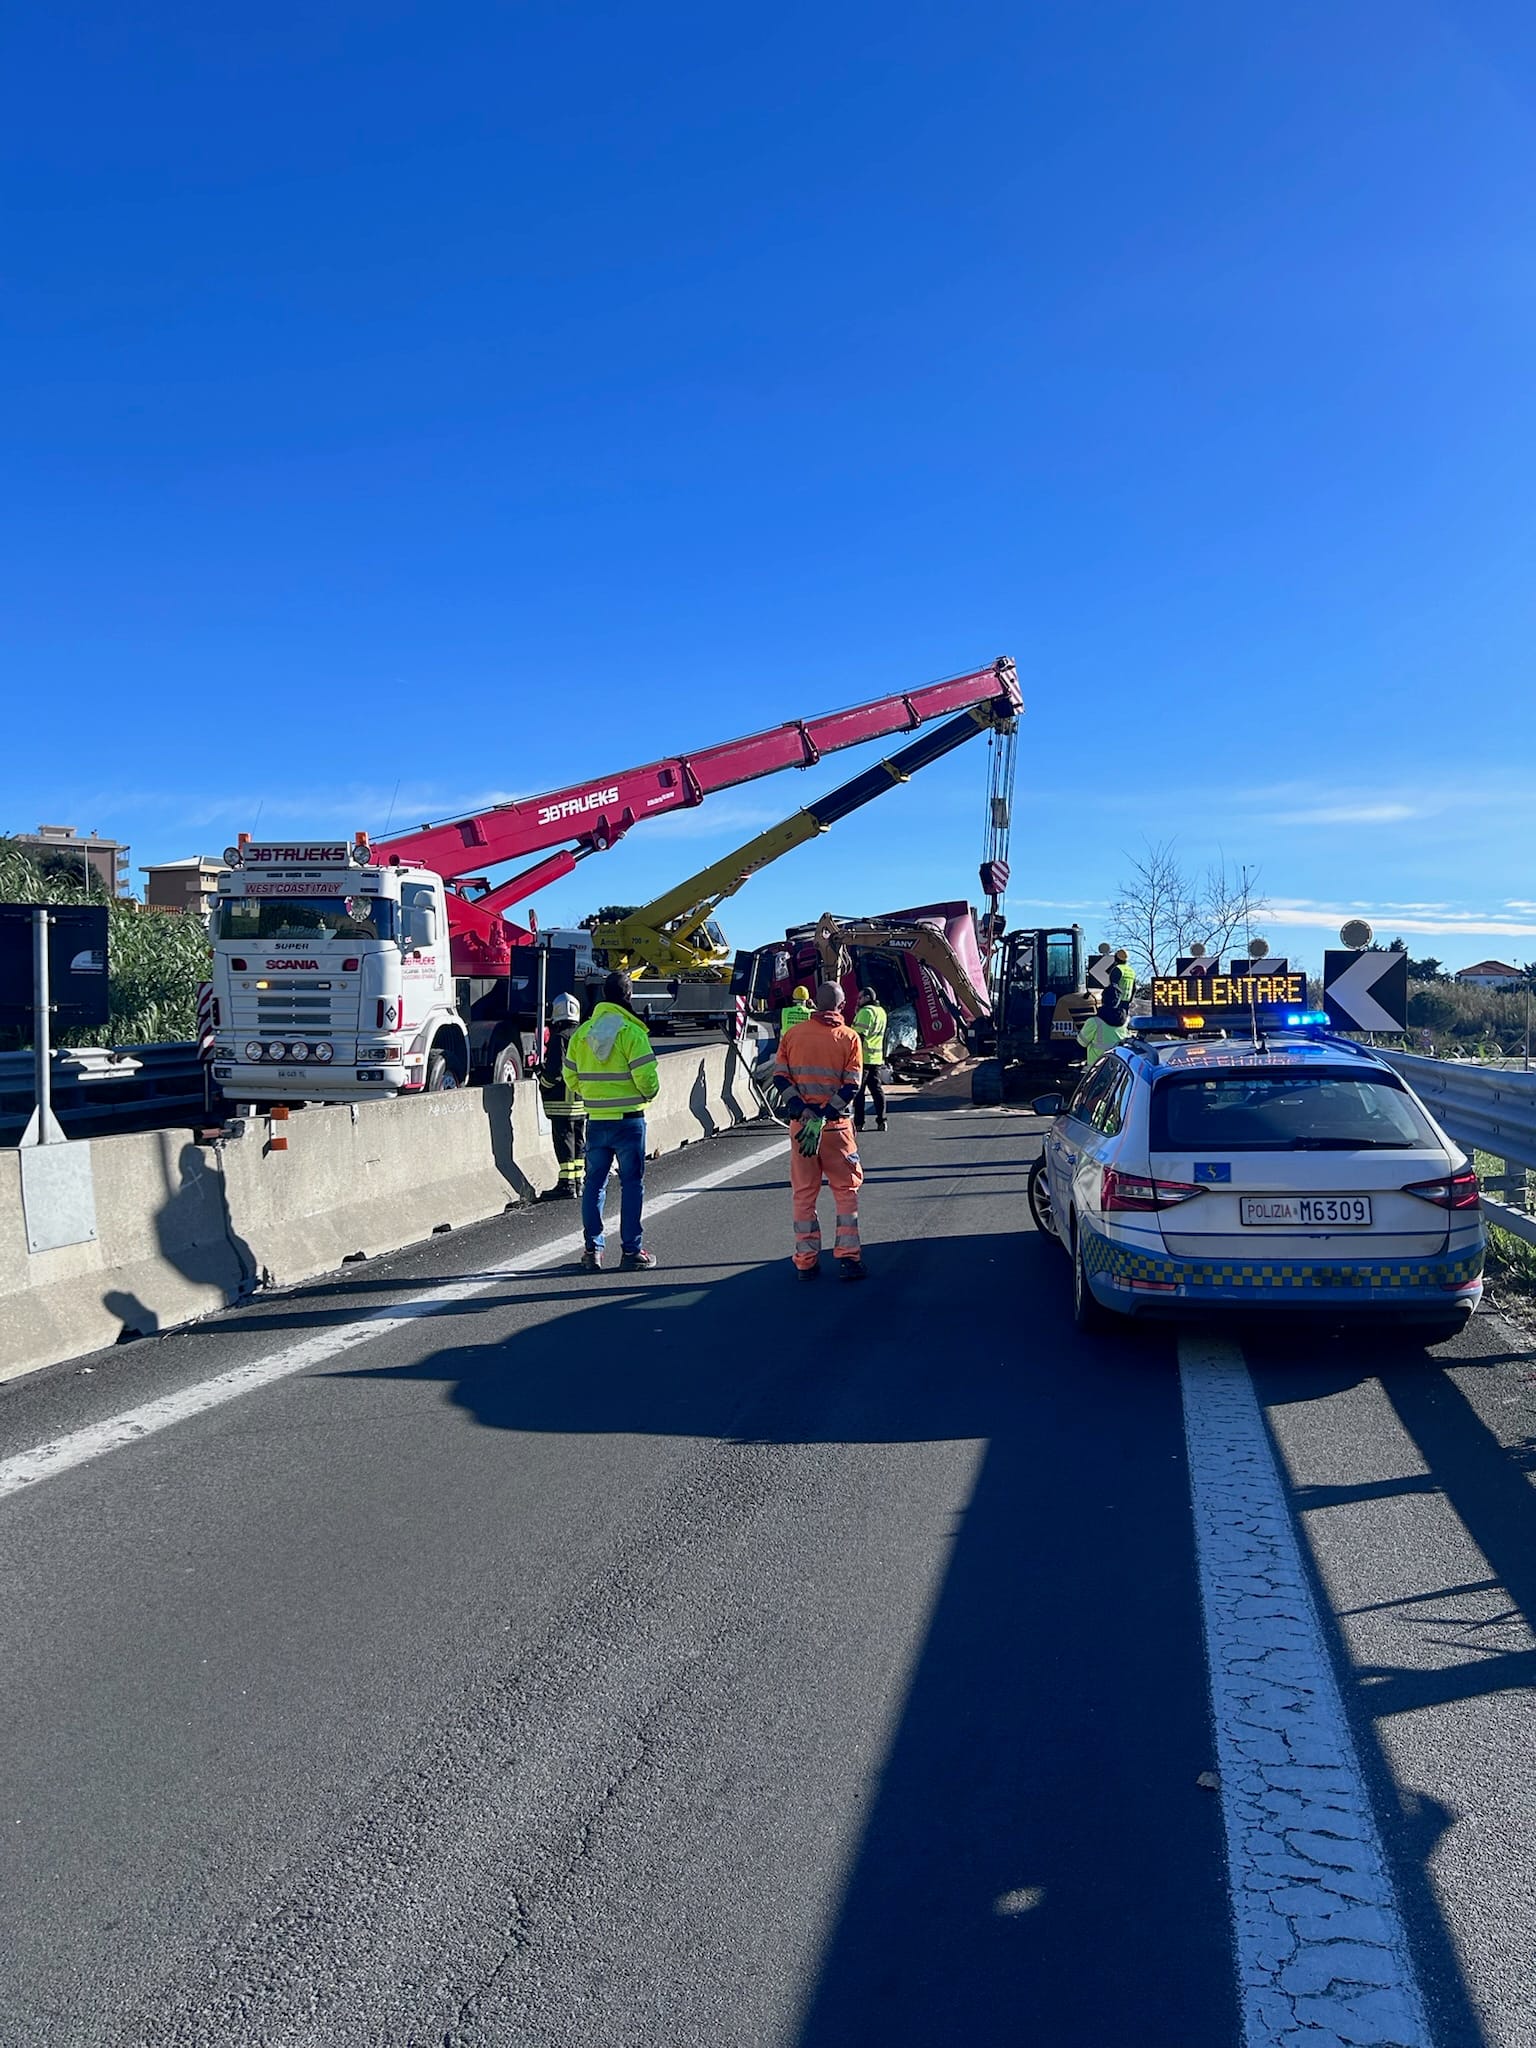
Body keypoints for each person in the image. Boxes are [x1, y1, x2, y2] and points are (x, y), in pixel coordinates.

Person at [563, 970, 660, 1272]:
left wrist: (595, 1094)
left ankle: (592, 1250)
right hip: (630, 1121)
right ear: (628, 996)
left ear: (603, 995)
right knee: (632, 1185)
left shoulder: (582, 1034)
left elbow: (570, 1076)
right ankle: (631, 1251)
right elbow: (648, 1080)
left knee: (594, 1184)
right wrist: (644, 1094)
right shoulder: (632, 1033)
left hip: (596, 1120)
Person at [772, 980, 866, 1282]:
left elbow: (780, 1078)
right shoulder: (849, 1037)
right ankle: (849, 1259)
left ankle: (806, 1262)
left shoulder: (793, 1035)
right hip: (836, 1129)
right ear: (841, 1006)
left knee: (803, 1194)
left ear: (814, 1002)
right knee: (846, 1193)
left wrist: (803, 1109)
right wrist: (825, 1113)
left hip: (803, 1130)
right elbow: (852, 1085)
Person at [538, 992, 586, 1200]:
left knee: (564, 1140)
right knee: (578, 1140)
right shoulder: (583, 1035)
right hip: (582, 1100)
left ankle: (566, 1184)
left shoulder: (560, 1037)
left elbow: (555, 1071)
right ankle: (578, 1182)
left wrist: (542, 1082)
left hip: (562, 1102)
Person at [851, 984, 888, 1132]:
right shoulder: (881, 1011)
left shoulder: (866, 1012)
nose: (858, 1000)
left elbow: (859, 1036)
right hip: (876, 1058)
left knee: (858, 1092)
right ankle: (882, 1120)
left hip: (863, 1058)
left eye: (860, 997)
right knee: (877, 1090)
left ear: (867, 998)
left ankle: (859, 1123)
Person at [1078, 992, 1128, 1067]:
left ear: (1102, 1000)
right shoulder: (1125, 1020)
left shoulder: (1094, 1022)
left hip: (1096, 1067)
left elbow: (1081, 1042)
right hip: (1118, 1066)